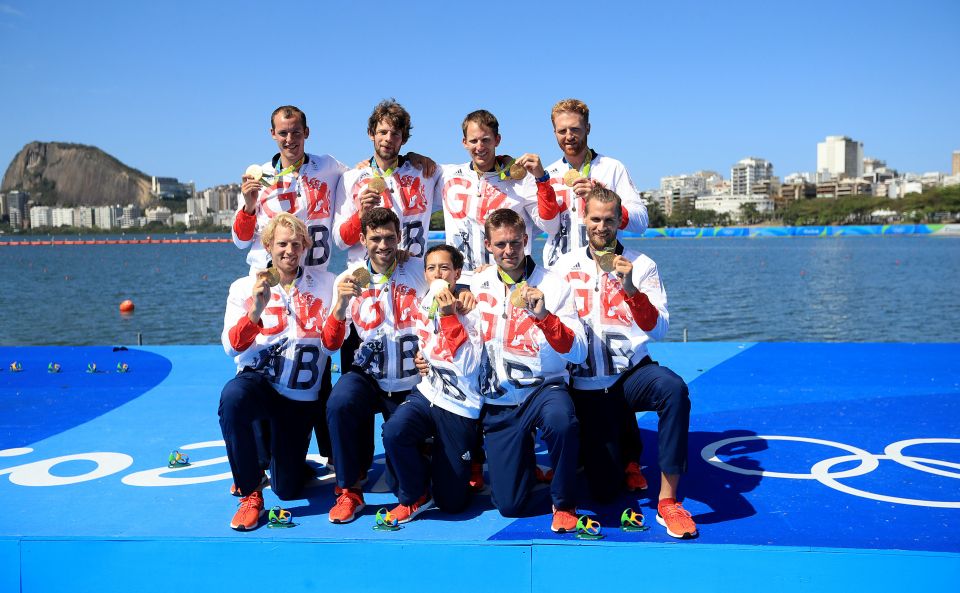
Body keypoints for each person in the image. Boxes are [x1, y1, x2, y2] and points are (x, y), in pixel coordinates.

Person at [553, 186, 697, 539]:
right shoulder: (564, 266)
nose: (602, 227)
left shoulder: (642, 264)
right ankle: (616, 454)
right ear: (584, 218)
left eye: (609, 220)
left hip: (631, 374)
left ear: (620, 221)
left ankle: (668, 501)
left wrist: (631, 290)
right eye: (595, 219)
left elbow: (659, 329)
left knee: (674, 389)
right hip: (586, 384)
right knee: (604, 490)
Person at [218, 213, 344, 531]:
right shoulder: (244, 287)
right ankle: (249, 495)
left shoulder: (327, 283)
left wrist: (340, 310)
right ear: (268, 246)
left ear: (305, 247)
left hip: (299, 398)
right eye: (281, 244)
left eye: (296, 244)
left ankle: (283, 459)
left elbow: (331, 346)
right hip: (259, 385)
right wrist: (255, 311)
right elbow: (232, 347)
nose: (289, 250)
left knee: (286, 490)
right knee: (233, 397)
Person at [471, 208, 587, 533]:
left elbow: (578, 351)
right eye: (500, 245)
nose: (508, 251)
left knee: (562, 421)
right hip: (501, 400)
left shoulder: (555, 284)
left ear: (526, 240)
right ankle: (525, 465)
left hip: (543, 390)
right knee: (509, 506)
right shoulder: (476, 283)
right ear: (488, 246)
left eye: (514, 243)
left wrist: (546, 317)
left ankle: (564, 503)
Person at [324, 207, 428, 524]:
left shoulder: (418, 270)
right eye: (375, 238)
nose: (383, 245)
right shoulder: (347, 279)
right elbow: (330, 342)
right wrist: (340, 306)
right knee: (340, 400)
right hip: (370, 375)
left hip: (411, 379)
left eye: (389, 238)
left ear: (400, 238)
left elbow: (455, 284)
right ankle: (349, 489)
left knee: (408, 481)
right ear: (362, 239)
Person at [380, 244, 484, 523]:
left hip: (460, 404)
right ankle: (414, 495)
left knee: (453, 504)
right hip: (428, 393)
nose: (437, 273)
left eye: (445, 267)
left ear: (457, 273)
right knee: (393, 431)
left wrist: (450, 315)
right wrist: (420, 358)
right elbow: (427, 345)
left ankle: (455, 462)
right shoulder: (424, 302)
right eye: (431, 267)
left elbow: (468, 364)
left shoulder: (471, 307)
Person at [435, 109, 560, 285]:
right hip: (460, 281)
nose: (479, 147)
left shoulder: (523, 179)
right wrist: (413, 157)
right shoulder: (445, 175)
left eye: (485, 140)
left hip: (504, 281)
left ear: (497, 140)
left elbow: (551, 226)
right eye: (473, 141)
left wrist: (542, 179)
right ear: (464, 142)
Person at [234, 105, 346, 274]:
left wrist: (366, 165)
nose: (290, 139)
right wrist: (248, 208)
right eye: (283, 133)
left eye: (296, 132)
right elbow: (241, 242)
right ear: (273, 133)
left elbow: (357, 179)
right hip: (268, 278)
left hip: (314, 279)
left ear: (306, 132)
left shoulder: (328, 167)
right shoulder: (258, 178)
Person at [541, 98, 649, 268]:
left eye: (575, 129)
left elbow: (641, 222)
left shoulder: (612, 168)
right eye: (562, 130)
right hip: (558, 271)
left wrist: (601, 199)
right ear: (554, 132)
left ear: (588, 129)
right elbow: (544, 228)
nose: (569, 136)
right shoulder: (547, 175)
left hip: (602, 268)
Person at [334, 99, 440, 268]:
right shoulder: (350, 178)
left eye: (395, 134)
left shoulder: (425, 173)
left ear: (403, 139)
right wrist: (360, 214)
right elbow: (340, 241)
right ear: (371, 133)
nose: (388, 139)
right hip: (366, 279)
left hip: (412, 273)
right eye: (382, 132)